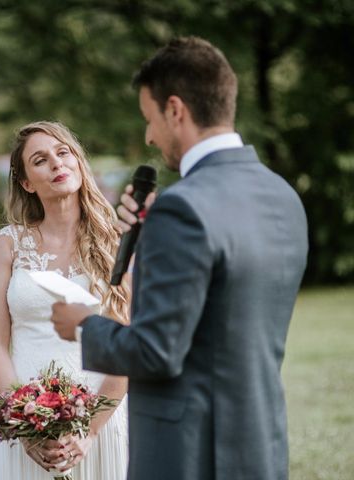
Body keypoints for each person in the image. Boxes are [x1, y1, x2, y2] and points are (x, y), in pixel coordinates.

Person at [51, 36, 308, 480]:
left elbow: (156, 352)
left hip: (189, 453)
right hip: (260, 445)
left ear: (175, 110)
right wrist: (151, 234)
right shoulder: (281, 195)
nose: (150, 135)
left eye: (149, 119)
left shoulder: (182, 208)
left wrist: (82, 324)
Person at [0, 121, 130, 479]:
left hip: (102, 420)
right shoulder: (9, 243)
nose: (56, 163)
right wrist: (23, 421)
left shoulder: (119, 242)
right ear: (27, 182)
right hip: (25, 423)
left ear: (79, 162)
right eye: (41, 159)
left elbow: (128, 343)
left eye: (63, 153)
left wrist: (90, 430)